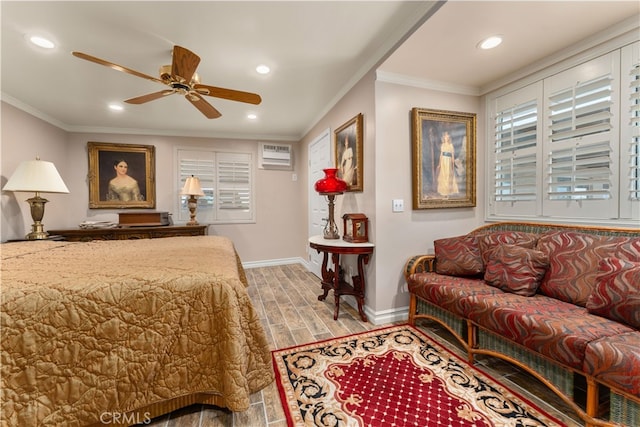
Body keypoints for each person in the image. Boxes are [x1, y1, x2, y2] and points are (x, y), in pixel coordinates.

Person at [436, 131, 459, 196]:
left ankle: (448, 191)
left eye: (448, 137)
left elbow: (452, 155)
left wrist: (453, 163)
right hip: (443, 161)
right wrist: (439, 164)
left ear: (449, 138)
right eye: (445, 137)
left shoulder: (451, 145)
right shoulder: (442, 145)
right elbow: (441, 155)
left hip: (448, 161)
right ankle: (444, 191)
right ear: (443, 137)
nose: (447, 138)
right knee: (443, 174)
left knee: (448, 175)